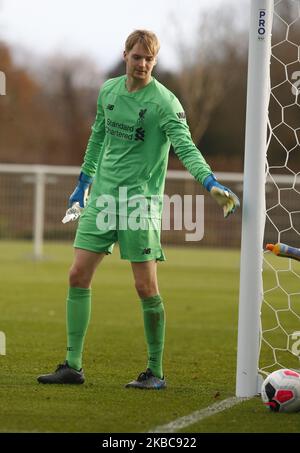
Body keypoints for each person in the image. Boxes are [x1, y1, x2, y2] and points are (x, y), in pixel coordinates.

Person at [37, 29, 240, 389]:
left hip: (139, 204)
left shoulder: (164, 103)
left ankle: (155, 373)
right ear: (126, 55)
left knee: (145, 286)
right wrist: (83, 184)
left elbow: (186, 148)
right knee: (77, 275)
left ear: (155, 62)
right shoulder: (108, 91)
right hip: (102, 198)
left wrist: (210, 182)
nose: (142, 63)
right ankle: (72, 365)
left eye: (149, 58)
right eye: (137, 56)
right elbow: (97, 137)